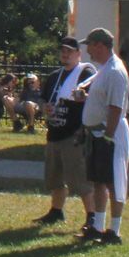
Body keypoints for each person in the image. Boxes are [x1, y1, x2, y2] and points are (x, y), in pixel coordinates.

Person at [77, 28, 129, 243]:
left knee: (113, 180)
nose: (88, 50)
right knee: (99, 180)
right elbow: (102, 99)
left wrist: (108, 137)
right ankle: (97, 227)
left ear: (100, 45)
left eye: (89, 45)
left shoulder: (115, 71)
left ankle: (114, 230)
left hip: (111, 132)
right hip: (99, 132)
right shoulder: (104, 69)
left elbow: (116, 107)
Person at [34, 37, 94, 226]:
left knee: (80, 178)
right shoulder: (54, 76)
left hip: (74, 133)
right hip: (54, 132)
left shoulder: (86, 72)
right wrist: (45, 108)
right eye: (63, 51)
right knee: (54, 176)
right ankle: (56, 211)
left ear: (78, 54)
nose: (65, 55)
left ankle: (91, 216)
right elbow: (42, 100)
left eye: (70, 51)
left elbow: (94, 97)